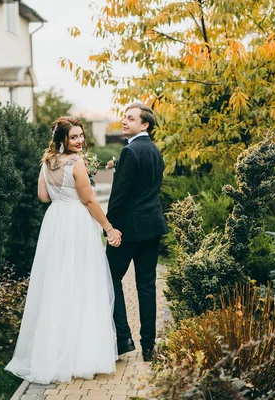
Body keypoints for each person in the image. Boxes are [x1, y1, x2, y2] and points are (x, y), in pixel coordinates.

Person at [5, 117, 123, 384]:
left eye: (81, 136)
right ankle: (79, 355)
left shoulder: (48, 162)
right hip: (77, 224)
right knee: (81, 283)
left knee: (56, 284)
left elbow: (43, 197)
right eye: (74, 137)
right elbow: (89, 200)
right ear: (63, 140)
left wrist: (62, 192)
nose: (80, 140)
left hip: (55, 223)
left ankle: (52, 353)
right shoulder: (77, 163)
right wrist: (109, 228)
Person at [106, 103, 168, 362]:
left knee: (108, 277)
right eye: (123, 116)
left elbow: (119, 197)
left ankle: (124, 337)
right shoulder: (155, 151)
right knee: (146, 286)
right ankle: (149, 347)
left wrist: (110, 227)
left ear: (145, 125)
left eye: (130, 118)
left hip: (128, 230)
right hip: (152, 227)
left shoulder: (130, 152)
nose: (124, 120)